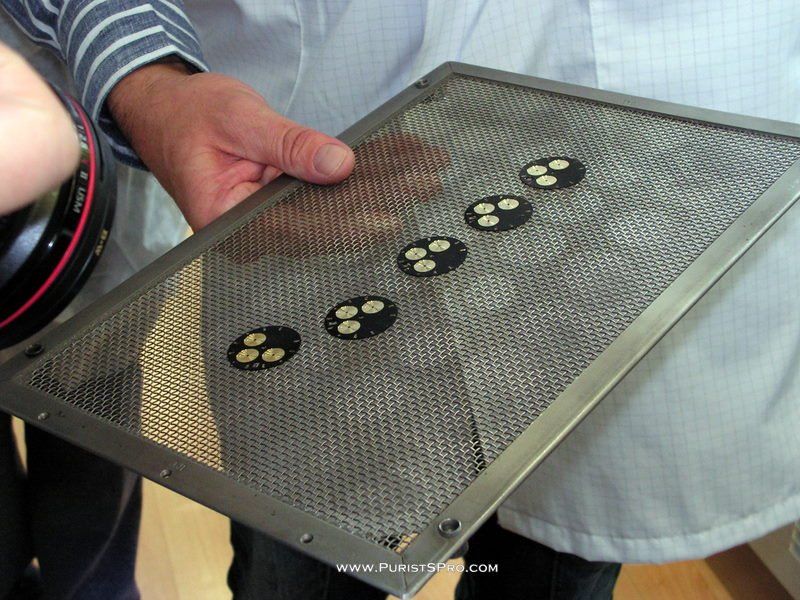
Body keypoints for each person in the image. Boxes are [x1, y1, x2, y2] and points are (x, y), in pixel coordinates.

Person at [3, 1, 800, 598]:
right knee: (307, 564)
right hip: (308, 183)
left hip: (634, 220)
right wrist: (148, 77)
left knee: (551, 560)